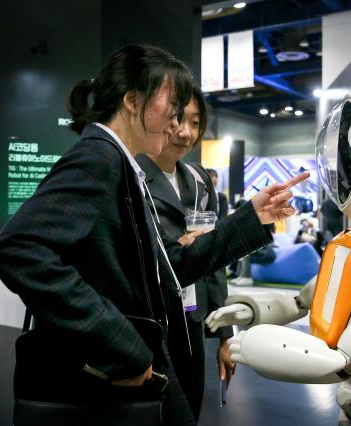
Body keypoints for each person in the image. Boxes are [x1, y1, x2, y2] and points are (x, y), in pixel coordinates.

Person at [0, 43, 307, 426]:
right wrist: (121, 344)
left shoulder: (121, 166)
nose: (177, 123)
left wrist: (251, 217)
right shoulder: (98, 157)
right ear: (132, 100)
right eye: (172, 105)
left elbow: (169, 268)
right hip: (111, 376)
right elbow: (19, 249)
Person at [135, 86, 234, 421]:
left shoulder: (199, 180)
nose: (186, 132)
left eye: (195, 122)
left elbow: (215, 259)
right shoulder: (131, 174)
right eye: (178, 119)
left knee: (189, 409)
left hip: (192, 318)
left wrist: (224, 333)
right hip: (150, 320)